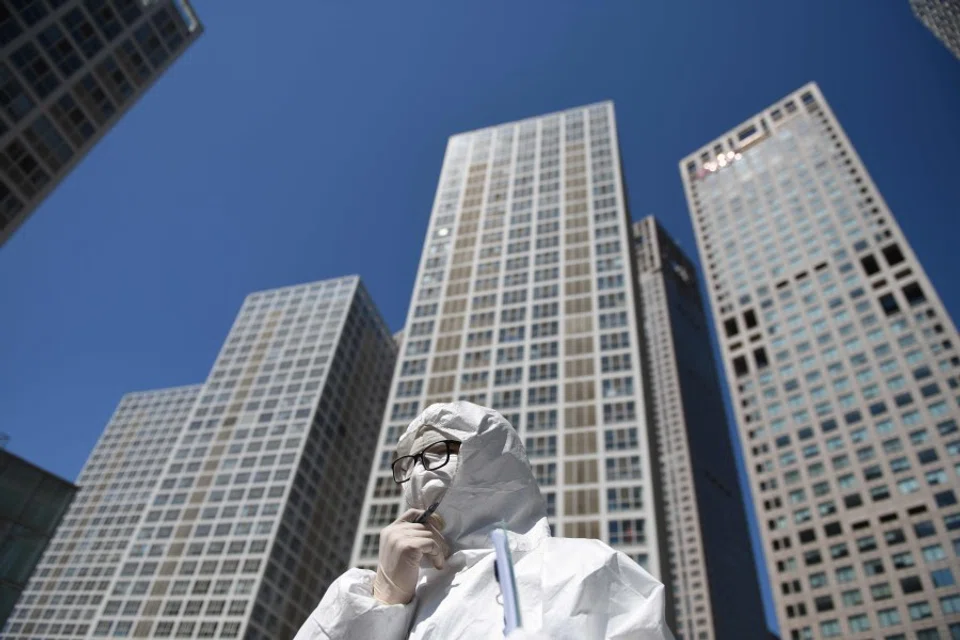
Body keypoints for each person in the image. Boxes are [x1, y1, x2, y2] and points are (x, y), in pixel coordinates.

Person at [294, 401, 674, 639]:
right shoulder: (403, 598)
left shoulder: (579, 567)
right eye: (409, 464)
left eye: (439, 453)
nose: (419, 475)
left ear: (490, 458)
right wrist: (382, 601)